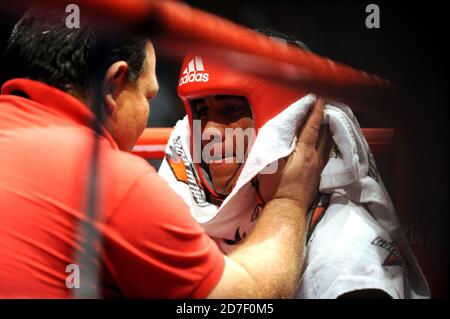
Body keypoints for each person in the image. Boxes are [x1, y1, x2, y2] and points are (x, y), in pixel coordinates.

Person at [0, 9, 330, 298]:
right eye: (148, 95)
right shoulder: (111, 180)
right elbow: (245, 300)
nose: (210, 132)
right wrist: (288, 200)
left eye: (229, 110)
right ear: (113, 87)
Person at [158, 29, 430, 298]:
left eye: (231, 110)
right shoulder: (184, 218)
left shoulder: (346, 252)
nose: (208, 133)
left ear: (289, 124)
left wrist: (287, 201)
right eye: (202, 112)